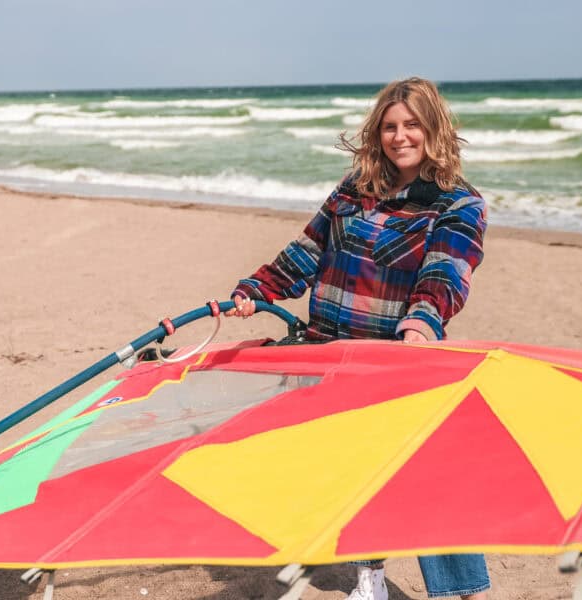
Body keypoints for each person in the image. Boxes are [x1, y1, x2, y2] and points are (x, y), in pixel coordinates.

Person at [223, 77, 490, 600]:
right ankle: (368, 575)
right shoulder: (353, 190)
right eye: (390, 126)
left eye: (412, 124)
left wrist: (420, 324)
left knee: (425, 469)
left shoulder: (459, 204)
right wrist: (256, 289)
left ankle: (464, 590)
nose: (400, 136)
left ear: (433, 129)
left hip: (393, 358)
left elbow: (446, 273)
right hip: (326, 351)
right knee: (350, 462)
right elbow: (305, 252)